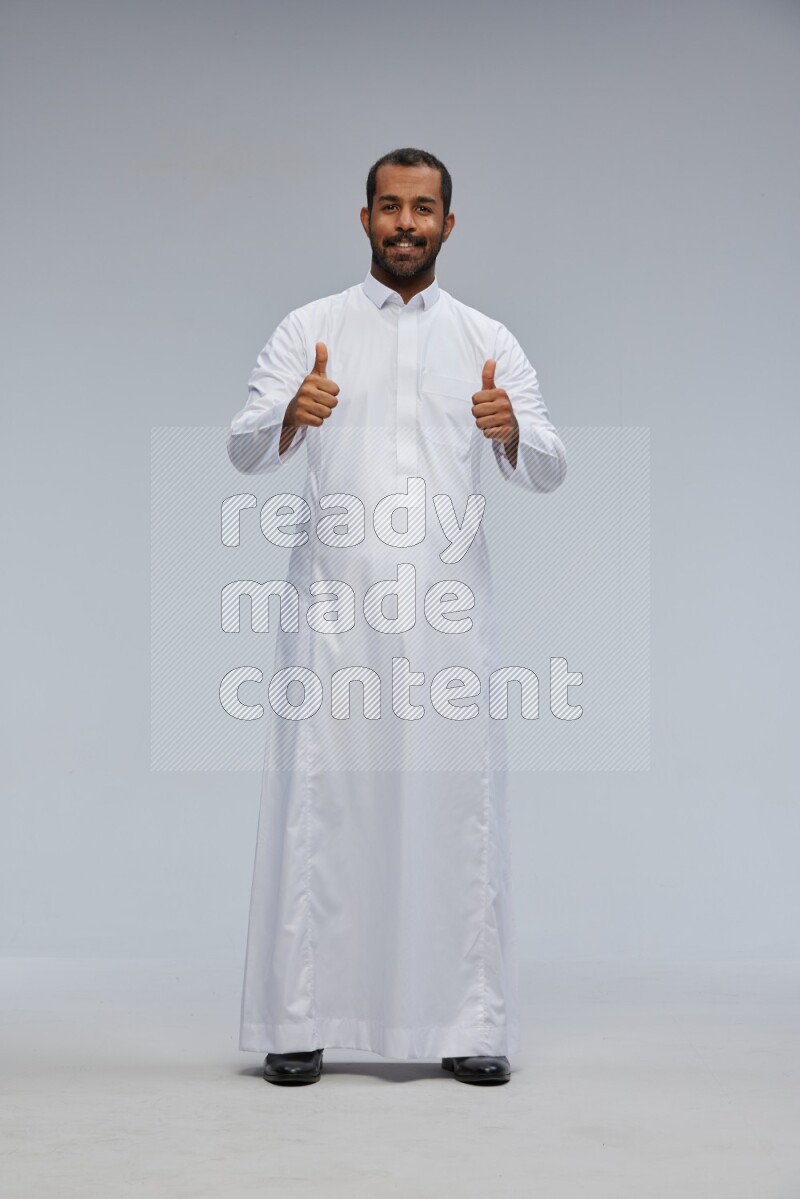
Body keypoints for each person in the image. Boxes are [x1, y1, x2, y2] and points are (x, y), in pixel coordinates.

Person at [227, 147, 567, 1086]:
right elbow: (243, 445)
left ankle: (466, 1022)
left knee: (455, 808)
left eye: (424, 209)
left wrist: (512, 431)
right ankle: (299, 1021)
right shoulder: (312, 326)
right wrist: (291, 413)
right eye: (390, 207)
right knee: (322, 806)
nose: (406, 223)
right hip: (335, 611)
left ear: (449, 224)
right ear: (365, 218)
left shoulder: (486, 338)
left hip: (448, 620)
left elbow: (550, 459)